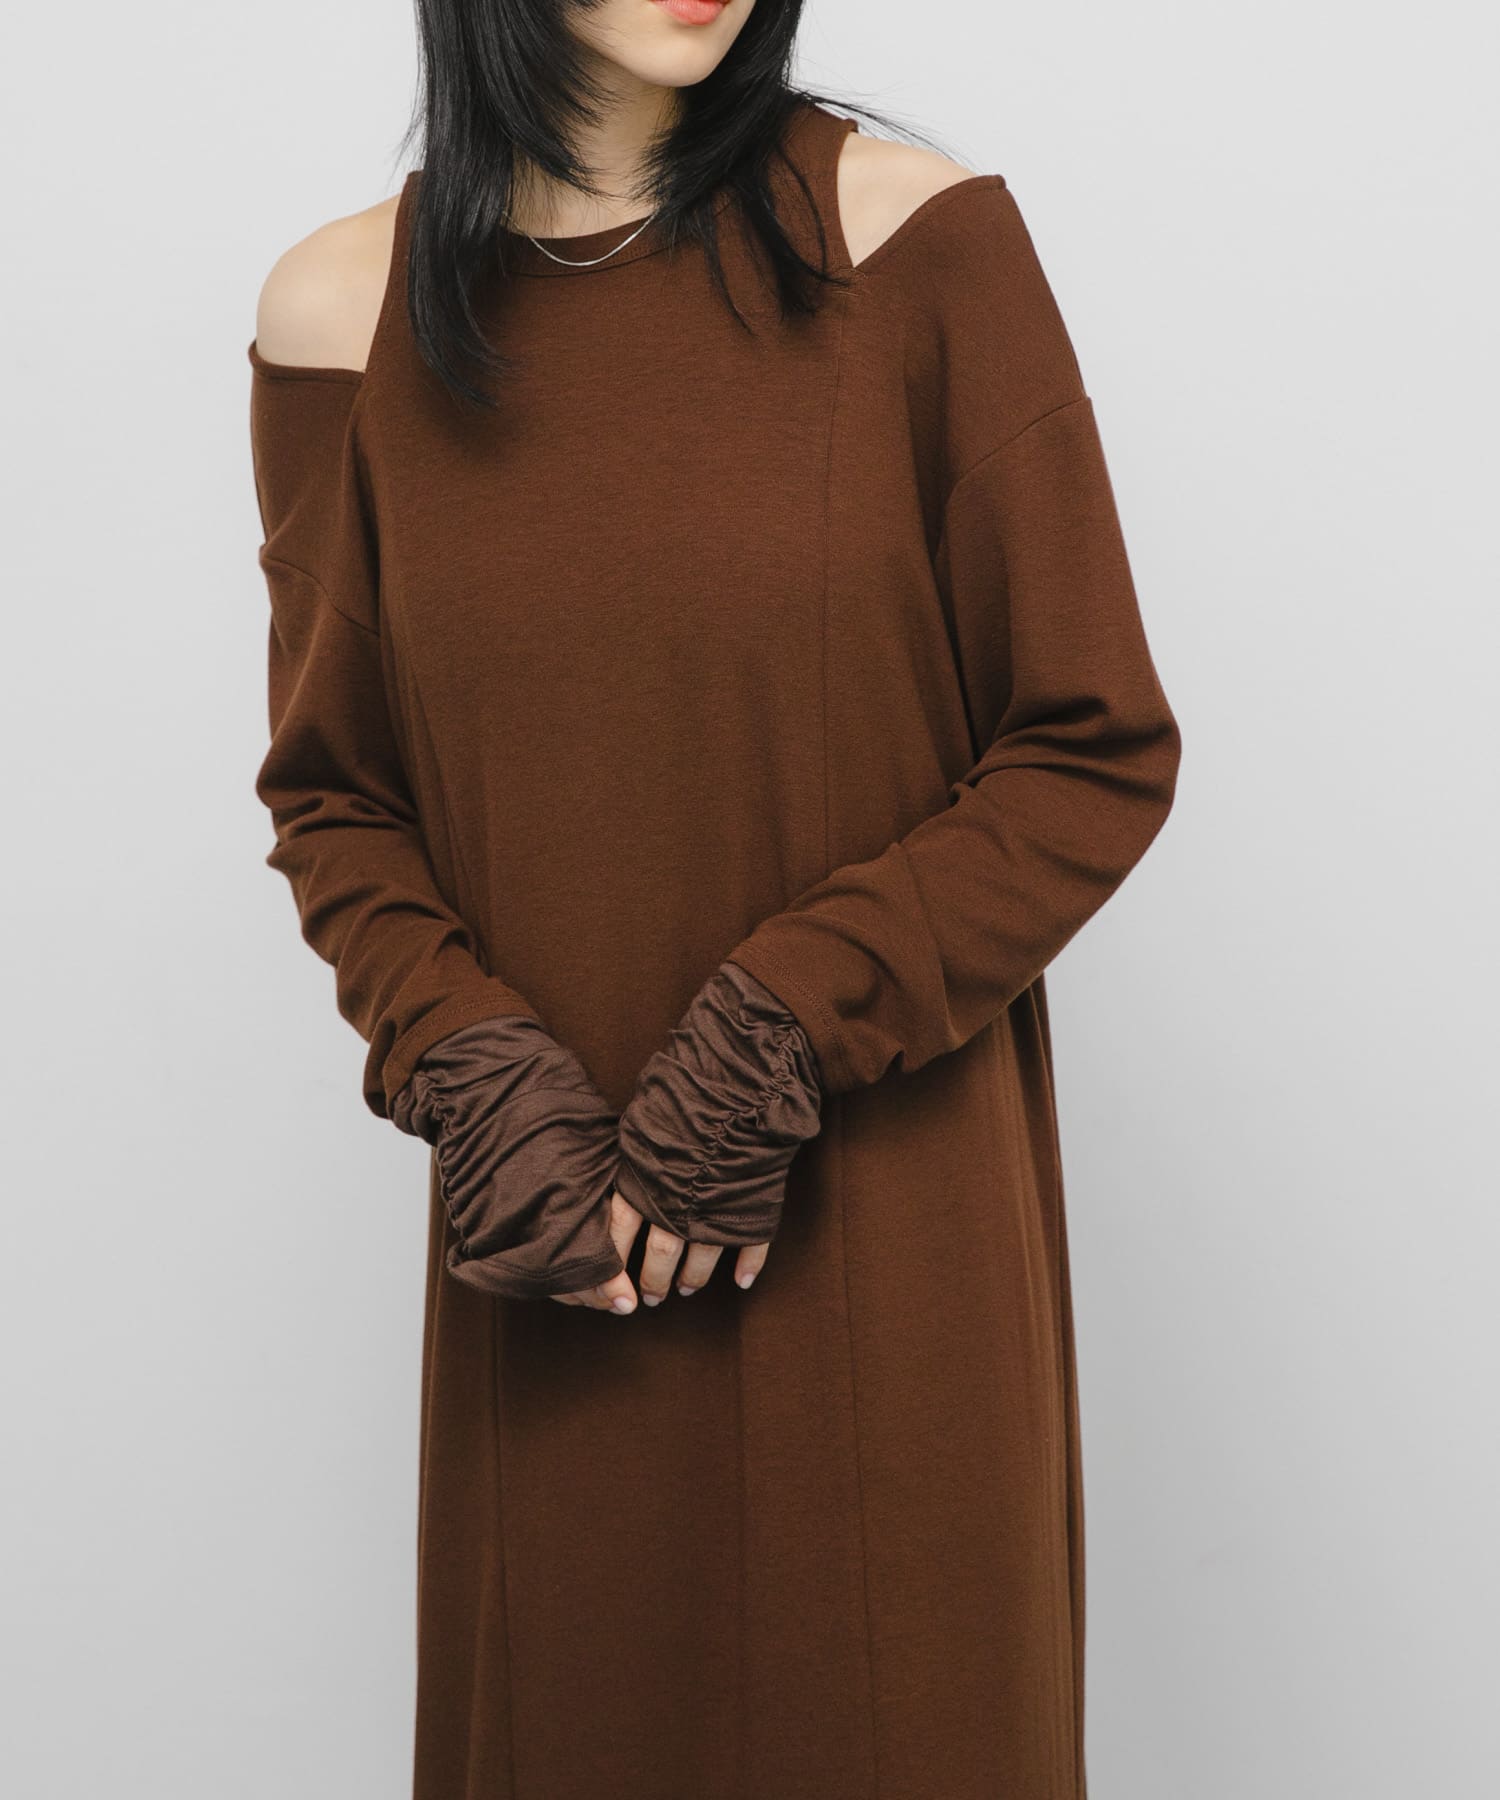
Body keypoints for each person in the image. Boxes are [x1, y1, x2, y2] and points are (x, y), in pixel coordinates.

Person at [246, 1, 1181, 1793]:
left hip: (891, 1257)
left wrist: (779, 1025)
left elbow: (1090, 743)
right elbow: (336, 792)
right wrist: (470, 1066)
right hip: (559, 1271)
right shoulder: (343, 314)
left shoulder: (913, 243)